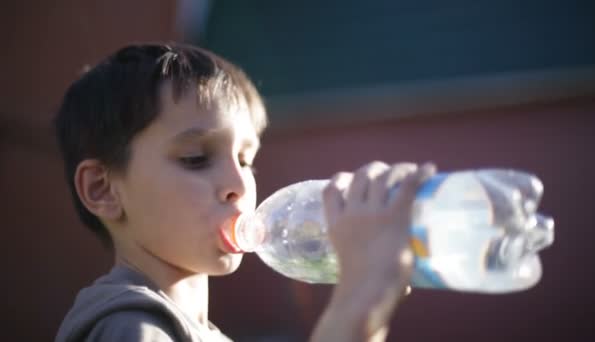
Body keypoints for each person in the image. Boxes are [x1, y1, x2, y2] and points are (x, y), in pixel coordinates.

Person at [53, 43, 435, 342]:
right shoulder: (128, 326)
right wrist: (357, 304)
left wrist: (368, 310)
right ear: (102, 189)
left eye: (246, 159)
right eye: (196, 158)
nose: (239, 185)